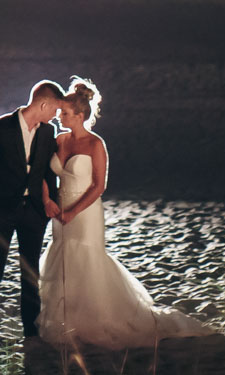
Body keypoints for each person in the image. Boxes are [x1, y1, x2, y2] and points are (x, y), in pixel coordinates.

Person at [36, 77, 213, 349]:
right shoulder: (58, 140)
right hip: (58, 211)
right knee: (63, 258)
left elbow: (99, 186)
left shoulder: (96, 145)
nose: (60, 117)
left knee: (86, 259)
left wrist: (73, 212)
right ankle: (68, 320)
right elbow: (44, 173)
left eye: (66, 113)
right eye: (61, 113)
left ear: (80, 116)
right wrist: (49, 199)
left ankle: (97, 319)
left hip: (84, 212)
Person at [0, 80, 65, 343]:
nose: (55, 116)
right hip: (2, 210)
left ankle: (31, 332)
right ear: (43, 104)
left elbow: (48, 173)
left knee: (31, 273)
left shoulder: (47, 133)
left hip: (34, 213)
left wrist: (49, 203)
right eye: (54, 110)